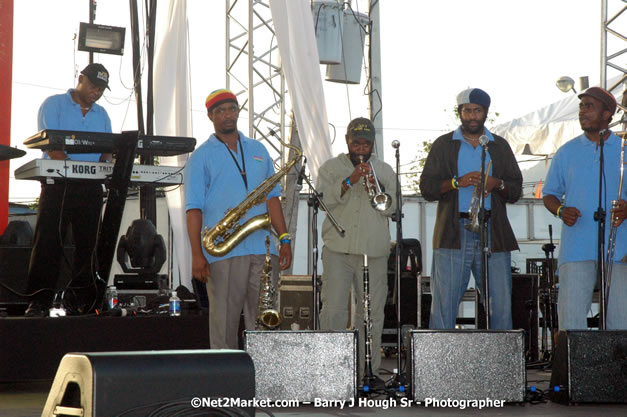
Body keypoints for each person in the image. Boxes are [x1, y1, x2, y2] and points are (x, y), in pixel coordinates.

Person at [185, 89, 292, 349]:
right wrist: (197, 255)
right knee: (225, 324)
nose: (227, 115)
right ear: (210, 116)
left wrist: (285, 239)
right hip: (224, 252)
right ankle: (225, 384)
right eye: (220, 111)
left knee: (265, 324)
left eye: (232, 109)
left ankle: (264, 382)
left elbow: (272, 199)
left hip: (263, 249)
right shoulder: (200, 156)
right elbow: (193, 209)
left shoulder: (258, 149)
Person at [419, 88, 522, 329]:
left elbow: (516, 190)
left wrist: (498, 184)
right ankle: (438, 365)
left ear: (486, 113)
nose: (472, 116)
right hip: (453, 232)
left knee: (501, 306)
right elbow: (427, 188)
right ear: (460, 113)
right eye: (467, 111)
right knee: (444, 305)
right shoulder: (444, 145)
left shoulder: (499, 146)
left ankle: (501, 363)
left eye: (477, 111)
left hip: (493, 232)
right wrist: (457, 182)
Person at [24, 63, 113, 317]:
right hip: (58, 185)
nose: (97, 92)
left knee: (88, 245)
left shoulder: (102, 114)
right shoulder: (53, 104)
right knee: (48, 242)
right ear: (81, 79)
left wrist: (107, 167)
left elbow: (107, 149)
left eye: (102, 89)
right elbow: (53, 147)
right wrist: (77, 169)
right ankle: (39, 301)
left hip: (90, 188)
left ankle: (82, 301)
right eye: (94, 85)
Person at [316, 117, 397, 381]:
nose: (361, 147)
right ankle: (333, 374)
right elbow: (323, 200)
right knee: (334, 311)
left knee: (371, 314)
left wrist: (377, 187)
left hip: (373, 251)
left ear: (373, 144)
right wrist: (350, 180)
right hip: (338, 249)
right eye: (356, 142)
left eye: (366, 143)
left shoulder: (384, 169)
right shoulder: (330, 168)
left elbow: (393, 207)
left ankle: (368, 373)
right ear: (347, 141)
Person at [542, 86, 627, 330]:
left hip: (619, 249)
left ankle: (616, 370)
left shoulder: (624, 150)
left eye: (589, 106)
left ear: (607, 114)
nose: (582, 111)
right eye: (581, 106)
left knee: (621, 323)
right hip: (576, 248)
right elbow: (549, 194)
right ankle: (573, 369)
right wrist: (560, 210)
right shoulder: (566, 152)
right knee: (571, 322)